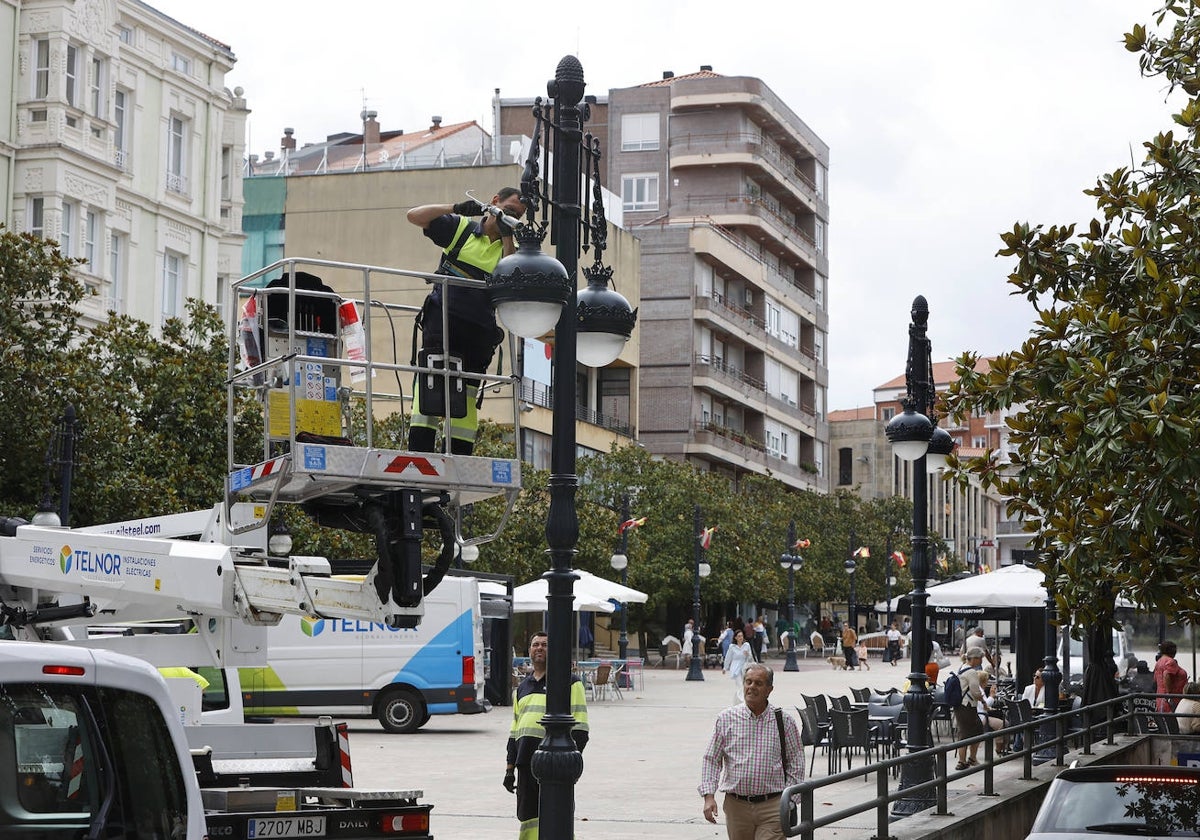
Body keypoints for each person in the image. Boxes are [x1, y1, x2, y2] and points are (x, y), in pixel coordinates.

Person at [405, 188, 525, 455]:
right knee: (430, 383)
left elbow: (511, 278)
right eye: (508, 210)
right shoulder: (462, 230)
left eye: (517, 216)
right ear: (495, 202)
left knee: (467, 394)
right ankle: (420, 454)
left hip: (478, 331)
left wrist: (507, 235)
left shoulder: (512, 252)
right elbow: (414, 216)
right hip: (443, 320)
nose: (511, 216)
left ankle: (458, 456)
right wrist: (456, 207)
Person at [699, 664, 803, 839]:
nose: (752, 687)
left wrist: (789, 799)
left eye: (758, 683)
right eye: (748, 682)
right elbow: (711, 759)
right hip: (736, 807)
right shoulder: (726, 719)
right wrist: (709, 796)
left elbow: (796, 761)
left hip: (772, 806)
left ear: (769, 689)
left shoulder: (784, 721)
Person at [505, 631, 589, 839]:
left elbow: (581, 729)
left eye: (545, 644)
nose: (539, 648)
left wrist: (569, 762)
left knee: (556, 814)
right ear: (529, 651)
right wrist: (509, 768)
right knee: (528, 818)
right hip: (526, 764)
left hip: (555, 765)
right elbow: (514, 731)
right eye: (535, 645)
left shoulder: (569, 682)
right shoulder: (523, 687)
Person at [1154, 640, 1189, 712]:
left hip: (1160, 699)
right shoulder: (1170, 661)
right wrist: (1169, 694)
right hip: (1171, 700)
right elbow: (1166, 675)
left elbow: (1155, 679)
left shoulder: (1159, 662)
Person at [724, 629, 753, 705]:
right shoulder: (732, 647)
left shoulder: (746, 645)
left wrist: (748, 655)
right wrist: (725, 667)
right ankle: (743, 702)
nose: (741, 638)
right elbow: (728, 657)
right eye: (739, 636)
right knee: (740, 685)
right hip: (735, 668)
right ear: (735, 638)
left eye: (742, 636)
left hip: (744, 668)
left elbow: (751, 658)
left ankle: (738, 701)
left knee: (744, 685)